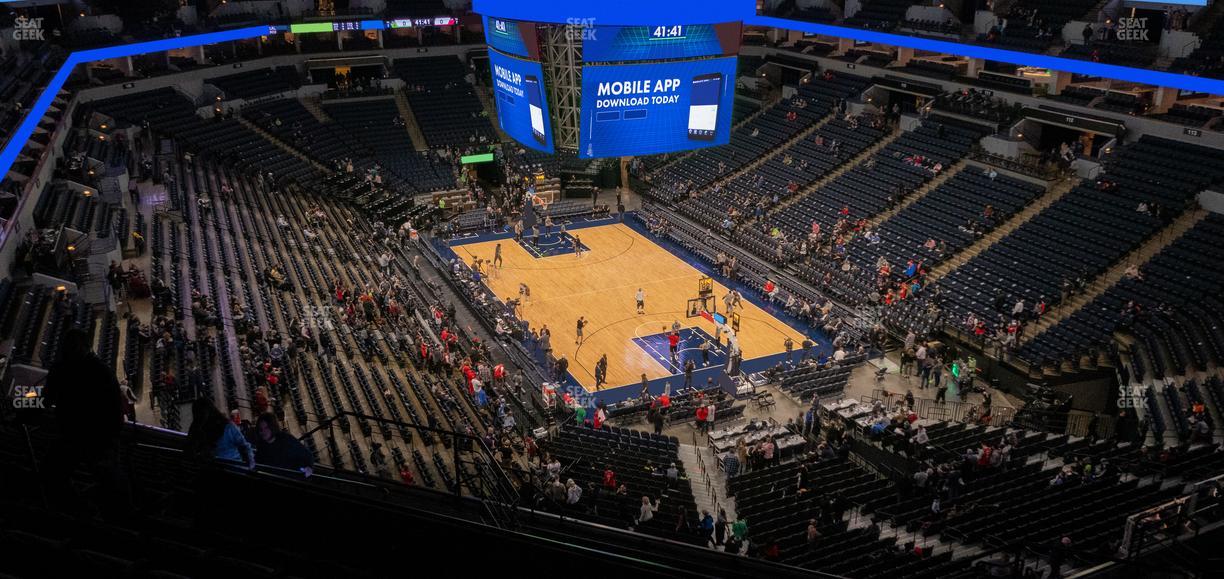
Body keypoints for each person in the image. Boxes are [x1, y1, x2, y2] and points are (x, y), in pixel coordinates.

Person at [42, 329, 128, 515]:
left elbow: (44, 398)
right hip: (96, 439)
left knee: (54, 474)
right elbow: (116, 408)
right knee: (109, 480)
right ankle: (104, 515)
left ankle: (84, 511)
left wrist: (20, 400)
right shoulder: (101, 370)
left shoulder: (61, 368)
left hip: (79, 436)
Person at [186, 397, 255, 469]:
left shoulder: (227, 427)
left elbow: (244, 446)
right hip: (220, 469)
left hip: (231, 468)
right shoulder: (197, 429)